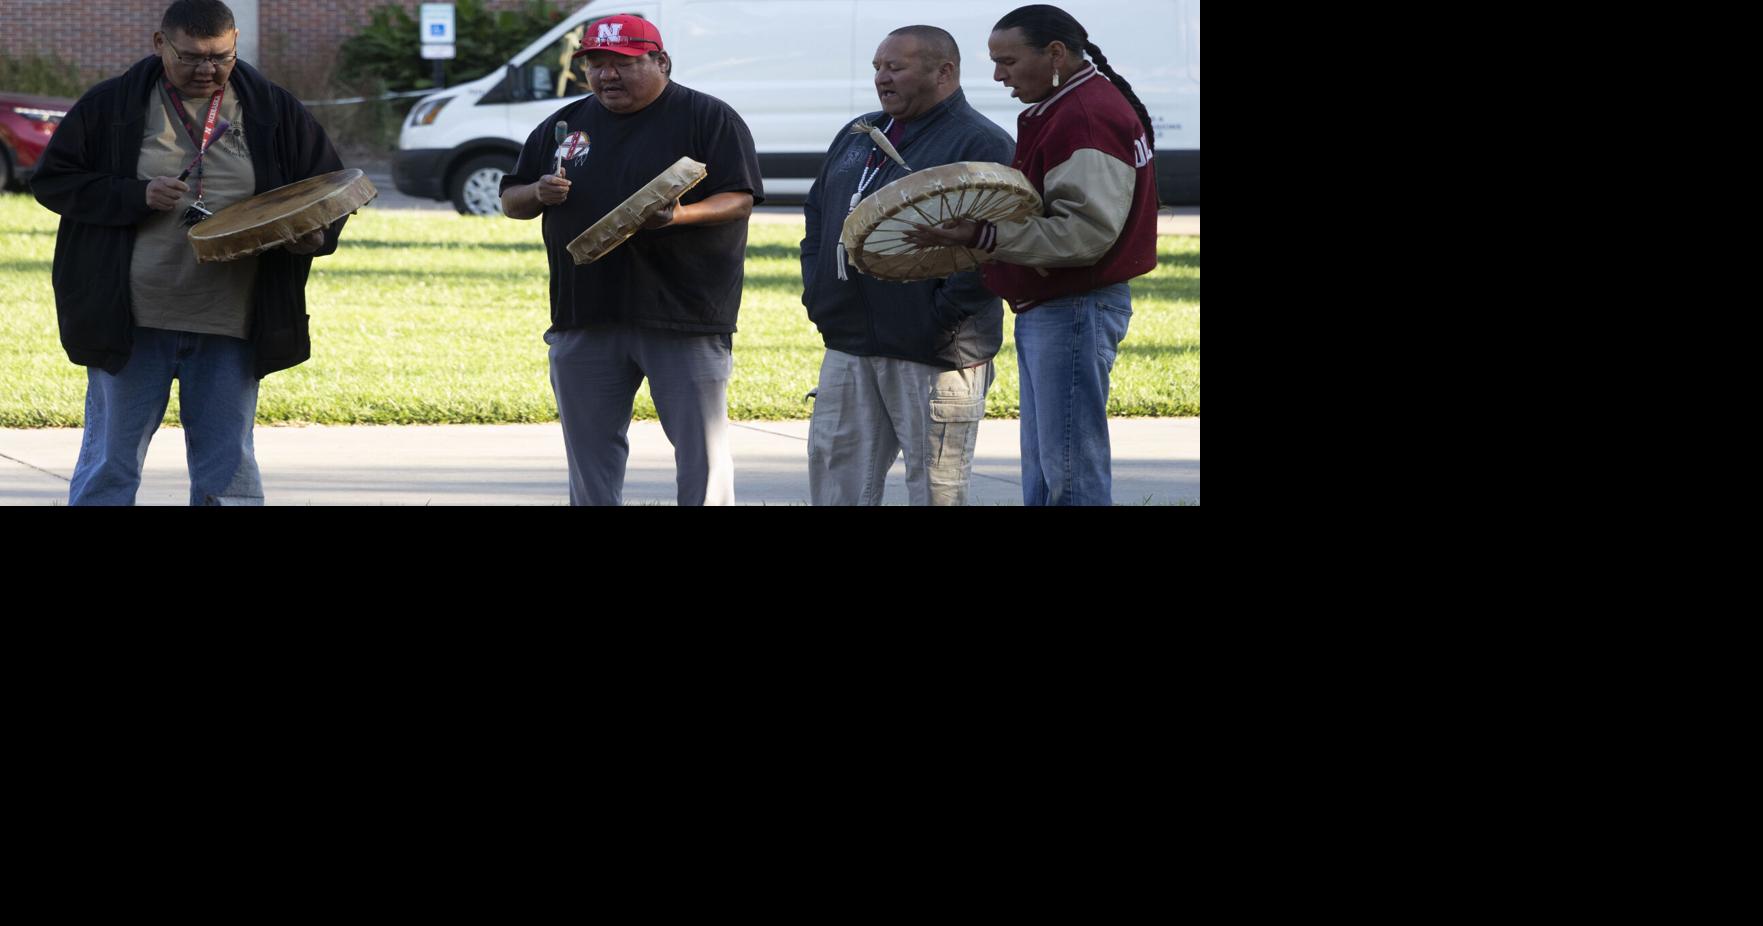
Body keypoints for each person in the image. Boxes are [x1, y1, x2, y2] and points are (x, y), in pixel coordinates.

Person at [32, 0, 345, 506]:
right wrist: (134, 196)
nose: (207, 70)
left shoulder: (273, 108)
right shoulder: (111, 105)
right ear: (160, 44)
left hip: (233, 319)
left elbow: (324, 190)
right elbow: (53, 182)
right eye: (192, 57)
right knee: (110, 464)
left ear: (236, 43)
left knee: (228, 469)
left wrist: (316, 236)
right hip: (132, 318)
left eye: (220, 57)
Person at [500, 13, 762, 506]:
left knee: (701, 456)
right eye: (595, 64)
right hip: (585, 313)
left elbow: (740, 198)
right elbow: (511, 201)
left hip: (682, 314)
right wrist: (537, 191)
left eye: (621, 63)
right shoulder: (566, 124)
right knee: (590, 456)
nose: (606, 76)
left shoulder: (707, 117)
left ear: (661, 61)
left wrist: (678, 217)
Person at [907, 4, 1159, 506]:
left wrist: (983, 235)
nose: (999, 76)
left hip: (1075, 305)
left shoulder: (1085, 116)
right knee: (1050, 466)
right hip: (1059, 304)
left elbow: (1085, 234)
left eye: (1008, 61)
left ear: (1056, 54)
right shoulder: (1075, 104)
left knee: (1069, 469)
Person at [800, 26, 1014, 506]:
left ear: (944, 72)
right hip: (850, 342)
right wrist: (818, 291)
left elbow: (992, 245)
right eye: (877, 67)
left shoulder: (980, 143)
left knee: (935, 490)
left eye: (895, 67)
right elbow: (818, 213)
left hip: (935, 351)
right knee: (836, 482)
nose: (882, 78)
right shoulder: (860, 134)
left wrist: (938, 319)